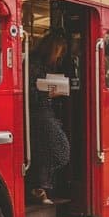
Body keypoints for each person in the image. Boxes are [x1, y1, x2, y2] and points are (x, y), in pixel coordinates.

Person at [27, 32, 70, 205]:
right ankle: (39, 188)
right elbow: (29, 92)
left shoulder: (40, 64)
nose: (59, 55)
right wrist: (48, 93)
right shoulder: (34, 65)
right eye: (57, 51)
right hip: (38, 112)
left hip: (44, 111)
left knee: (44, 152)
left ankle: (39, 188)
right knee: (59, 150)